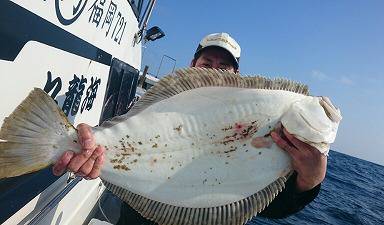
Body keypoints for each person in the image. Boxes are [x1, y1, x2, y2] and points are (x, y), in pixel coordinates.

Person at [52, 32, 326, 223]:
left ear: (237, 77)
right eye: (207, 63)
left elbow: (267, 205)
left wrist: (308, 182)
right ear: (193, 65)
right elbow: (104, 147)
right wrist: (88, 158)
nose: (213, 71)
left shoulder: (263, 128)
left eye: (224, 66)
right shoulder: (152, 106)